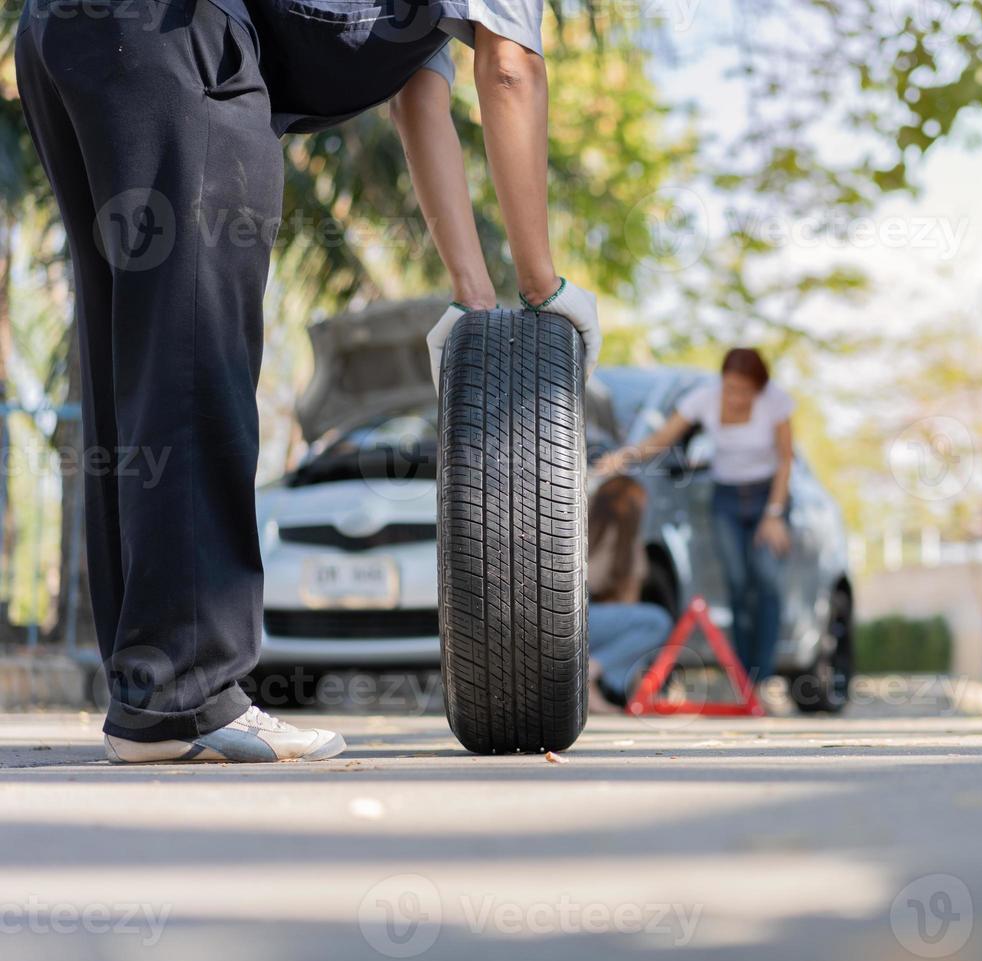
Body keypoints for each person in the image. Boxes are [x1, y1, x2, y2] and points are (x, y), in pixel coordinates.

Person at [15, 0, 598, 763]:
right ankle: (183, 699)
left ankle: (152, 694)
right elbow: (512, 71)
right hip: (180, 40)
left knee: (137, 355)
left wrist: (476, 298)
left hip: (69, 33)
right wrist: (543, 285)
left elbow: (420, 100)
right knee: (198, 353)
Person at [596, 349, 794, 684]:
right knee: (737, 584)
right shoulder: (704, 399)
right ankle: (746, 680)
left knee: (765, 581)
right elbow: (662, 439)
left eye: (744, 391)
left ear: (758, 388)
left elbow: (786, 460)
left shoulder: (775, 402)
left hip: (766, 496)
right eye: (730, 389)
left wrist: (774, 513)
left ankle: (764, 677)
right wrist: (623, 458)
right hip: (726, 498)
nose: (735, 398)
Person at [586, 477, 673, 712]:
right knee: (656, 622)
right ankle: (591, 671)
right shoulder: (628, 542)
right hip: (585, 621)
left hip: (560, 621)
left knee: (637, 628)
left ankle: (593, 682)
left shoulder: (579, 531)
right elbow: (630, 607)